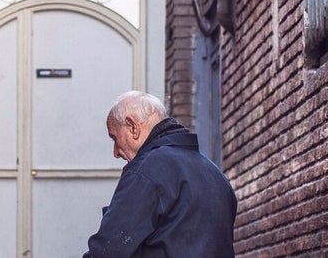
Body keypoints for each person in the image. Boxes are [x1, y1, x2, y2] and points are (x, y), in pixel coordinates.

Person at [84, 90, 238, 258]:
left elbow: (108, 250)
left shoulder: (147, 170)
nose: (115, 152)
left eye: (114, 138)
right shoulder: (217, 176)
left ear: (133, 127)